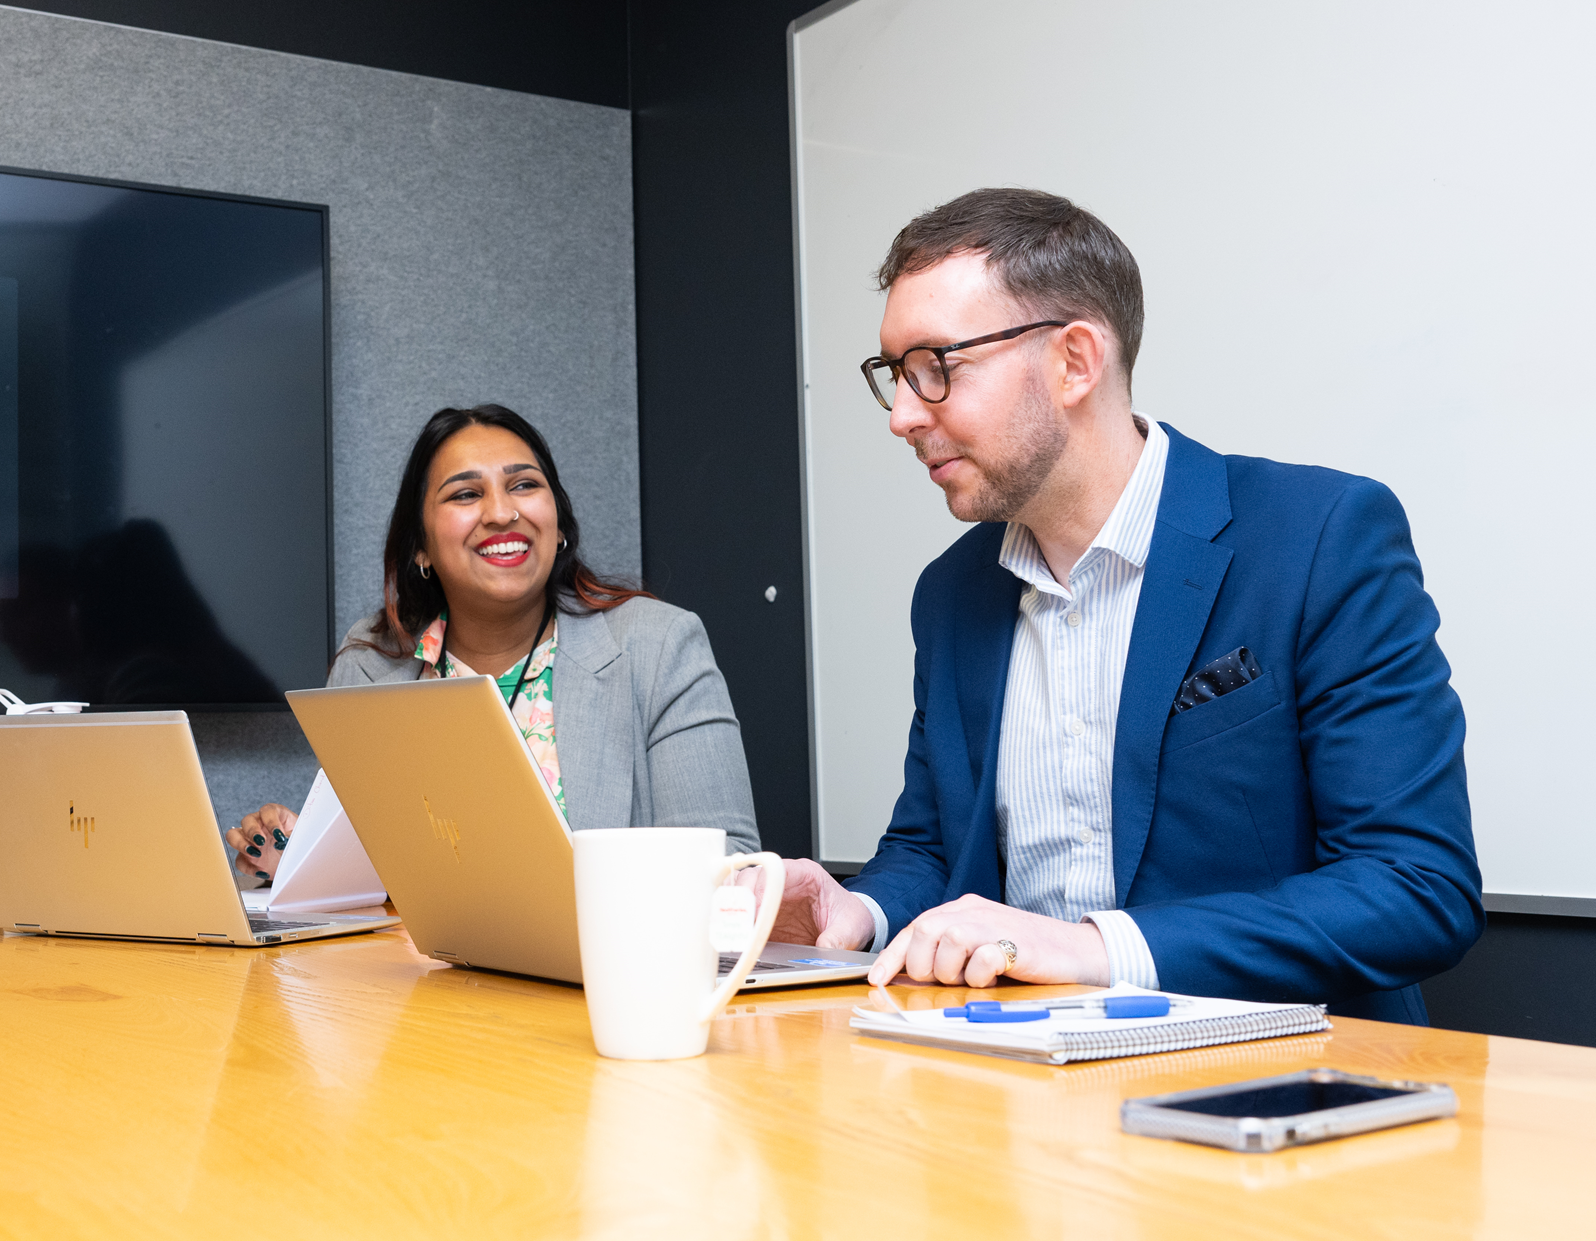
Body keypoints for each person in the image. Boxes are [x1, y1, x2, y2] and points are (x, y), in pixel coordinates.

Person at [766, 188, 1481, 1022]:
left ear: (1074, 360)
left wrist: (1095, 949)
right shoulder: (952, 593)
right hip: (1015, 1091)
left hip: (1278, 1089)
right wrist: (862, 909)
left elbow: (1415, 886)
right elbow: (933, 845)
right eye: (895, 375)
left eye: (936, 368)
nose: (901, 415)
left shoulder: (1320, 538)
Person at [227, 403, 760, 877]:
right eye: (465, 493)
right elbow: (361, 878)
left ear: (559, 523)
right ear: (422, 548)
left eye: (524, 485)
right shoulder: (369, 665)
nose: (503, 512)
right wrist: (289, 867)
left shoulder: (658, 645)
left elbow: (731, 867)